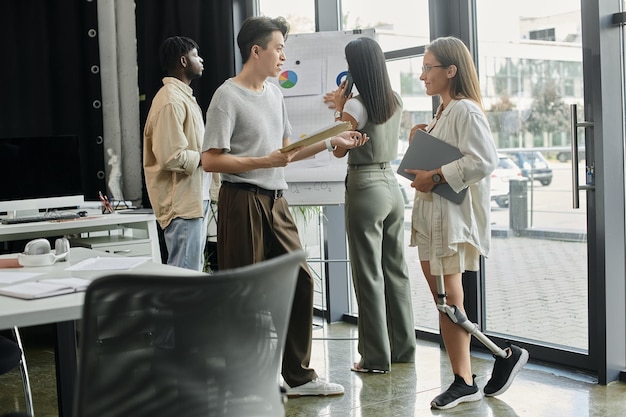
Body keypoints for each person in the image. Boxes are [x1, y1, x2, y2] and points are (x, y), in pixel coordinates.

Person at [201, 15, 368, 397]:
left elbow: (287, 153)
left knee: (301, 280)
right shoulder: (227, 96)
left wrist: (333, 141)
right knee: (245, 291)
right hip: (241, 201)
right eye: (278, 48)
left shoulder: (275, 94)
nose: (283, 57)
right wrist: (263, 162)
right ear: (255, 51)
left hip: (277, 201)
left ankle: (299, 377)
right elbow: (210, 160)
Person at [405, 36, 528, 410]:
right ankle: (481, 368)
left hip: (450, 220)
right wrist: (419, 140)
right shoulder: (445, 111)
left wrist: (437, 175)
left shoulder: (465, 111)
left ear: (450, 70)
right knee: (444, 302)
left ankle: (472, 375)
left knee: (448, 302)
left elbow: (483, 161)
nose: (422, 74)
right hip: (433, 218)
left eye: (429, 67)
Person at [323, 37, 416, 373]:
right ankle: (403, 348)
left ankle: (375, 357)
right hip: (392, 186)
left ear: (356, 68)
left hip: (365, 186)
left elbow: (338, 148)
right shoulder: (395, 99)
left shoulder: (356, 107)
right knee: (396, 271)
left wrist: (339, 106)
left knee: (368, 276)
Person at [143, 36, 206, 271]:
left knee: (189, 275)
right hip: (182, 203)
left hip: (193, 199)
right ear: (183, 61)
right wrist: (206, 157)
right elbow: (171, 156)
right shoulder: (170, 100)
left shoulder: (182, 97)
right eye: (195, 55)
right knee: (184, 278)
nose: (201, 60)